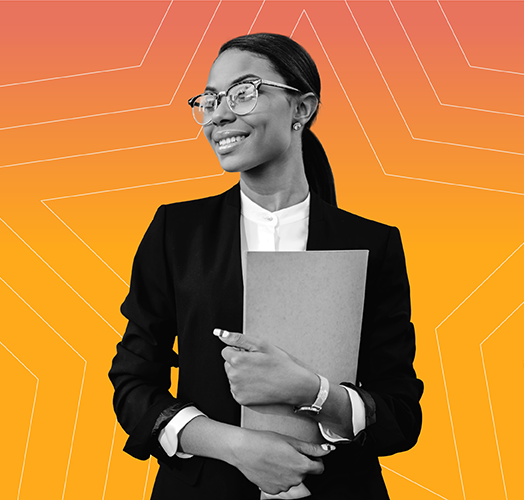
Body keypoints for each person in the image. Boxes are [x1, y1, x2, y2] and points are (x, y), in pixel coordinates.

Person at [108, 33, 424, 499]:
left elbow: (399, 414)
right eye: (210, 99)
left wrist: (313, 392)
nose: (219, 114)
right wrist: (236, 446)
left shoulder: (373, 243)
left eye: (244, 91)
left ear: (302, 109)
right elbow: (133, 384)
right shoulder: (176, 231)